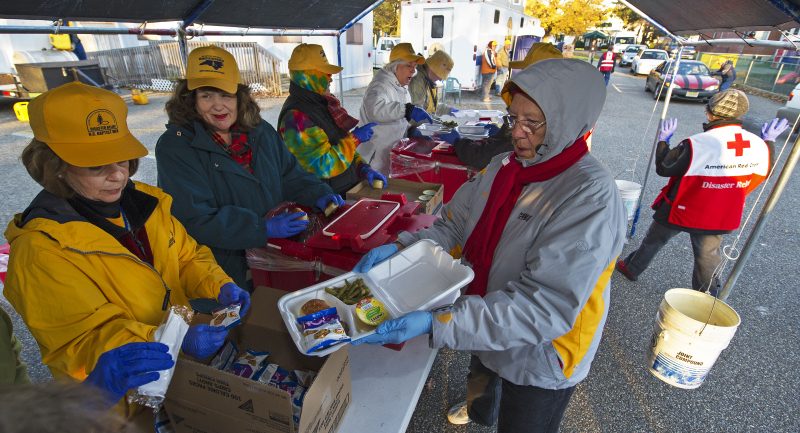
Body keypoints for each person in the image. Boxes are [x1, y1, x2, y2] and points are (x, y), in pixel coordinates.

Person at [352, 59, 627, 432]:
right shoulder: (502, 168)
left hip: (543, 354)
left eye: (534, 122)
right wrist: (401, 251)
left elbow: (543, 308)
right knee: (484, 388)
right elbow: (452, 227)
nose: (517, 133)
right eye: (514, 118)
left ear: (569, 122)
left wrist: (438, 322)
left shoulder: (589, 196)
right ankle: (482, 413)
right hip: (485, 316)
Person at [3, 82, 248, 402]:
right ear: (56, 167)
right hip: (118, 405)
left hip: (176, 377)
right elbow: (84, 342)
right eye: (96, 165)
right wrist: (171, 339)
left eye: (122, 158)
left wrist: (218, 284)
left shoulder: (146, 204)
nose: (118, 175)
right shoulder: (40, 252)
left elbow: (187, 256)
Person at [156, 46, 341, 289]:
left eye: (226, 95)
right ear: (190, 100)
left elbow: (289, 174)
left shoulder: (259, 130)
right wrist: (260, 227)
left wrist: (318, 193)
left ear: (240, 96)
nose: (218, 106)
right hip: (221, 272)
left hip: (273, 257)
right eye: (207, 95)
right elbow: (194, 218)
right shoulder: (176, 147)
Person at [616, 91, 786, 295]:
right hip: (720, 213)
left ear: (709, 114)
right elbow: (764, 171)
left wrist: (663, 142)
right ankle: (707, 294)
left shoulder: (697, 143)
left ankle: (632, 268)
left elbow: (665, 167)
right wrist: (769, 141)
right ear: (741, 115)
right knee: (707, 256)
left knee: (654, 240)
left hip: (681, 206)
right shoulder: (757, 144)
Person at [278, 43, 385, 195]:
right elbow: (323, 165)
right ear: (307, 76)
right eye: (326, 74)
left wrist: (362, 167)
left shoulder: (322, 104)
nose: (331, 79)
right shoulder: (296, 118)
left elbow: (340, 143)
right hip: (323, 202)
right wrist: (355, 140)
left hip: (343, 191)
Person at [439, 43, 564, 170]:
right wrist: (500, 133)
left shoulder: (542, 109)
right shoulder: (547, 102)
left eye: (526, 72)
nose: (521, 76)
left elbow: (485, 157)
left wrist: (458, 142)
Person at [358, 42, 433, 172]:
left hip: (389, 155)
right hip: (372, 159)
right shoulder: (380, 85)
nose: (413, 70)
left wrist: (410, 131)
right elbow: (376, 111)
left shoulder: (402, 88)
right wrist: (407, 110)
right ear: (395, 66)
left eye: (414, 66)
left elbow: (398, 118)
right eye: (409, 65)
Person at [408, 49, 455, 116]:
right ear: (431, 69)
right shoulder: (418, 81)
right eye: (439, 75)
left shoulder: (428, 80)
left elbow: (431, 106)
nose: (440, 79)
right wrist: (434, 120)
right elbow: (417, 111)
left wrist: (448, 110)